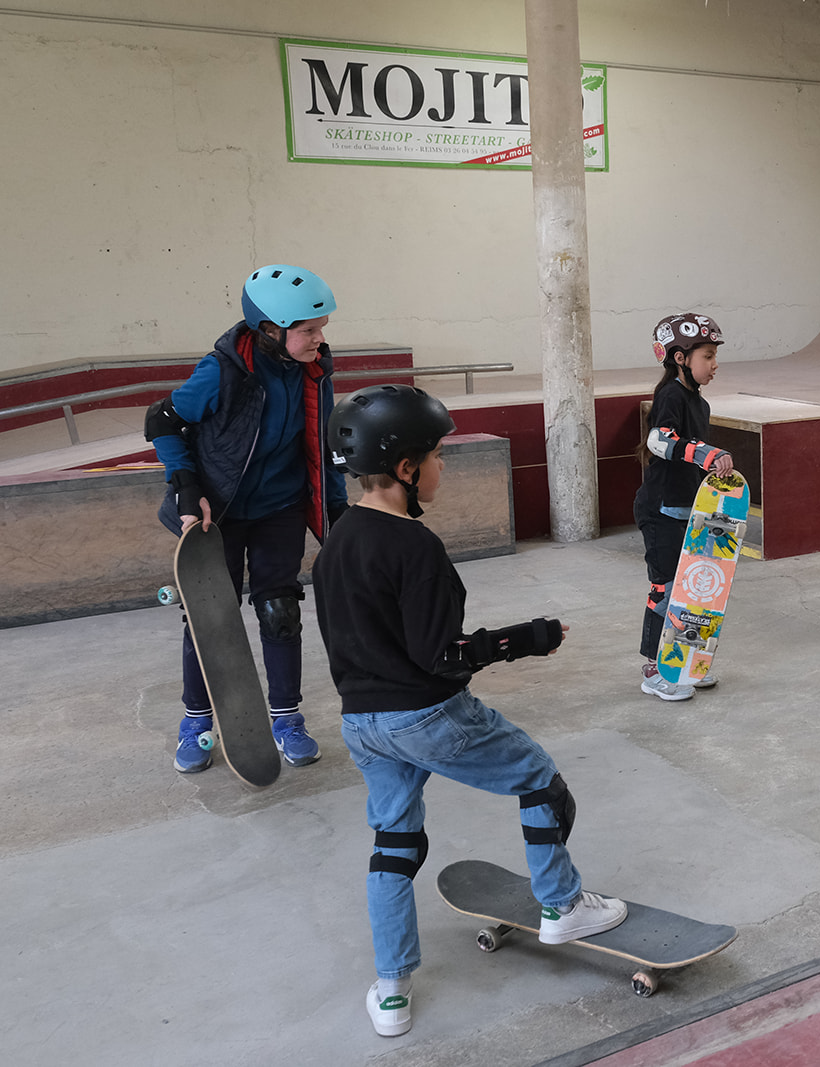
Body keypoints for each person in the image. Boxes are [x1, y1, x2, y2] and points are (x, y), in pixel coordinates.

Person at [312, 384, 626, 1038]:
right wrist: (527, 638)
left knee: (395, 842)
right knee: (538, 780)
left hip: (362, 723)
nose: (442, 465)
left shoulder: (337, 541)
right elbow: (442, 657)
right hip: (424, 715)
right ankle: (563, 906)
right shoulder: (415, 547)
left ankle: (392, 992)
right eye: (436, 455)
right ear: (406, 469)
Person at [145, 263, 346, 773]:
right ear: (271, 331)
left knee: (280, 610)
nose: (320, 339)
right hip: (219, 515)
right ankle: (196, 721)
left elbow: (321, 443)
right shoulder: (222, 371)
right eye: (309, 330)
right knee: (209, 617)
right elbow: (162, 420)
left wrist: (338, 507)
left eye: (321, 328)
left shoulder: (314, 371)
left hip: (280, 508)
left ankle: (287, 718)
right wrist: (186, 487)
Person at [635, 313, 735, 700]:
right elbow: (659, 440)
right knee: (663, 590)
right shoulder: (671, 396)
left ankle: (683, 662)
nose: (714, 364)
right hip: (660, 511)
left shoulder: (699, 404)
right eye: (707, 356)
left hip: (688, 510)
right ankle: (654, 670)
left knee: (692, 592)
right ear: (680, 358)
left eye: (714, 356)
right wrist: (705, 453)